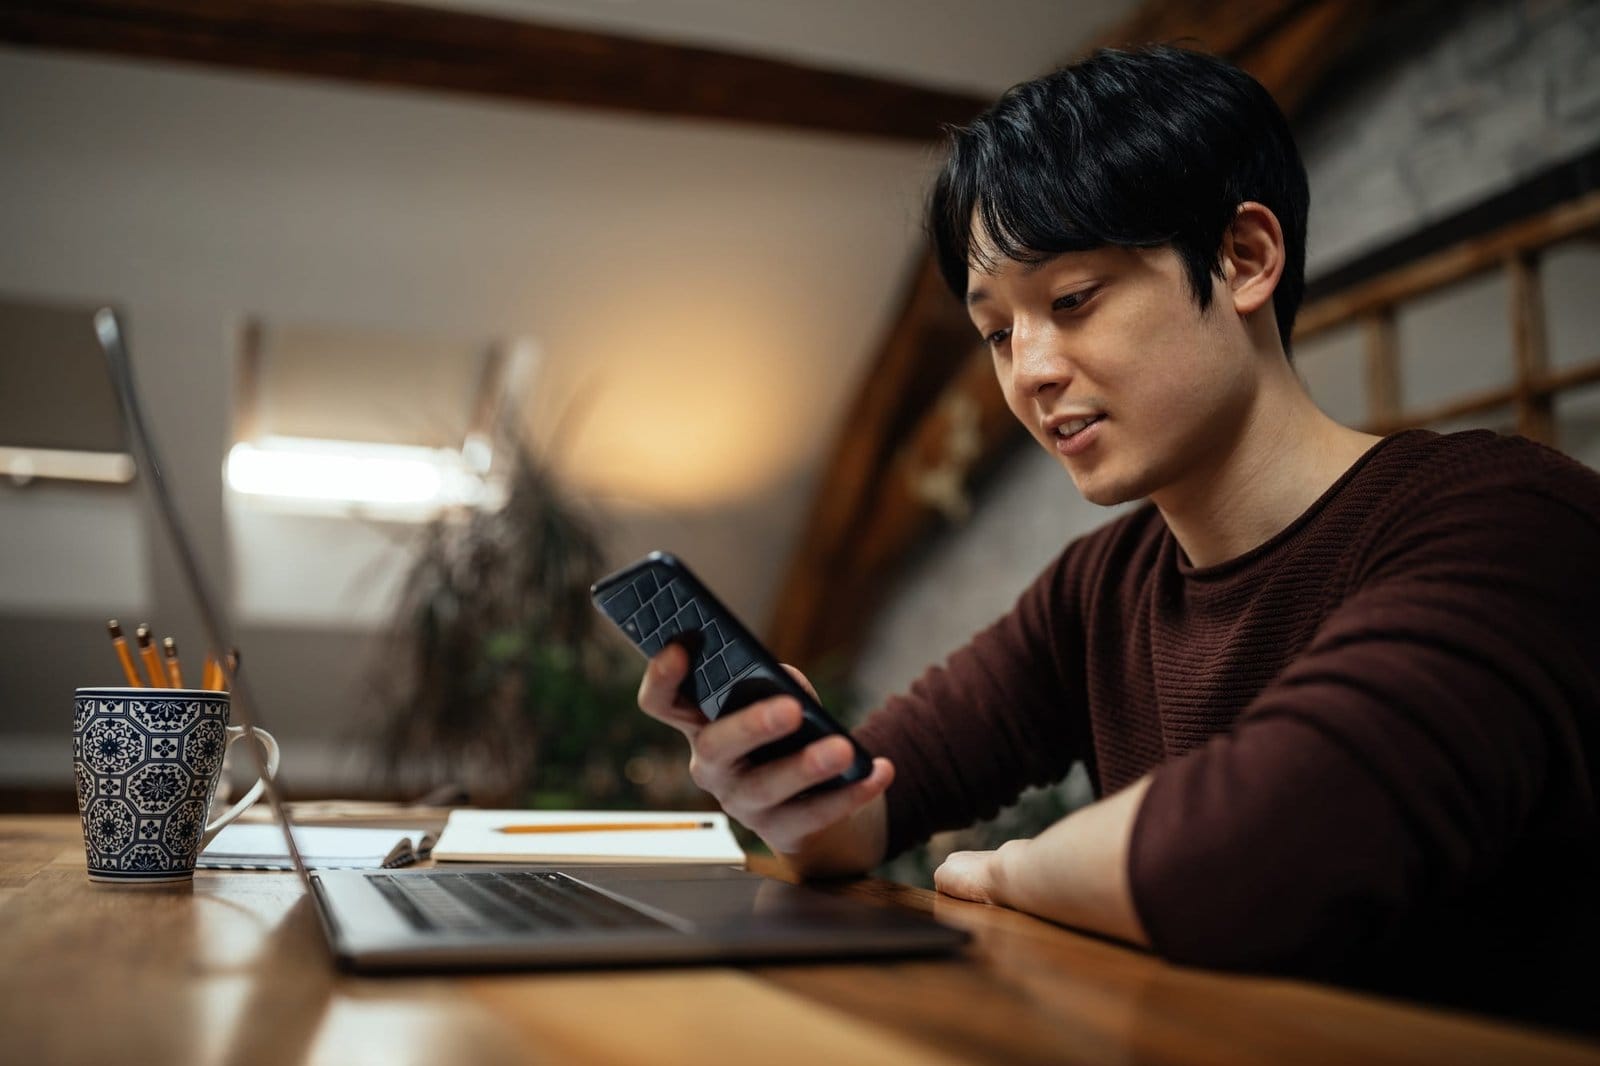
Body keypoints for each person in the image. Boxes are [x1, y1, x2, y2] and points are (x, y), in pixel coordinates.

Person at [636, 45, 1600, 1028]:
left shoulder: (1512, 522)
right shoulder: (1103, 586)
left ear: (1243, 259)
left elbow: (1237, 858)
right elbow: (865, 808)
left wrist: (1004, 870)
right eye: (998, 332)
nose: (1029, 372)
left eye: (1070, 301)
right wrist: (778, 779)